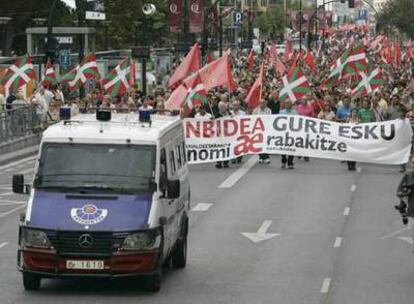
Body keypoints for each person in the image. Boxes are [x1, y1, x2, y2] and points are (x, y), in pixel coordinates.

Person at [279, 100, 298, 169]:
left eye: (288, 103)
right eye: (286, 103)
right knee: (283, 148)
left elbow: (297, 122)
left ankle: (290, 162)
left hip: (292, 133)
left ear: (291, 104)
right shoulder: (281, 112)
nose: (287, 105)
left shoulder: (295, 112)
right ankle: (283, 161)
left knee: (291, 148)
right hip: (283, 133)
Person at [253, 99, 271, 164]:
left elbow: (270, 118)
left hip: (266, 129)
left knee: (265, 143)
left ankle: (266, 157)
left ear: (265, 104)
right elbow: (253, 119)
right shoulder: (255, 110)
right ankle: (261, 157)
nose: (262, 104)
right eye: (261, 103)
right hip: (258, 129)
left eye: (263, 103)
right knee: (259, 143)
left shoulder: (268, 110)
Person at [215, 102, 230, 169]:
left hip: (227, 134)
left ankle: (226, 162)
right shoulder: (216, 115)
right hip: (219, 134)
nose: (222, 108)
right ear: (219, 108)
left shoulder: (229, 114)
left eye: (223, 107)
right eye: (221, 107)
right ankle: (219, 162)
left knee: (226, 148)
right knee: (219, 148)